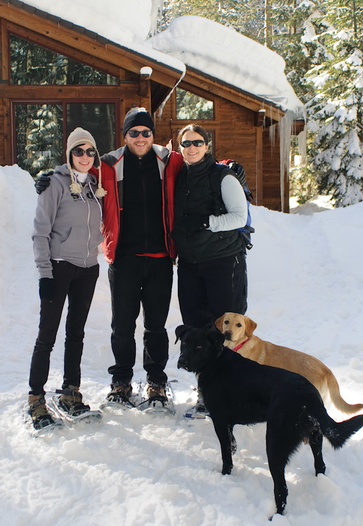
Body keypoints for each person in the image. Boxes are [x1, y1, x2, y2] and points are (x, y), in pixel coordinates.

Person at [99, 108, 184, 408]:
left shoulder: (169, 161)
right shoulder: (109, 163)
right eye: (134, 132)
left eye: (146, 132)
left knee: (156, 326)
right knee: (122, 325)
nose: (140, 137)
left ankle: (156, 382)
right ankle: (121, 380)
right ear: (124, 136)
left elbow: (201, 161)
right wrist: (52, 178)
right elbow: (77, 172)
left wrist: (230, 167)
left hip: (161, 258)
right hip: (124, 259)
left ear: (152, 135)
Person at [27, 127, 110, 430]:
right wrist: (44, 273)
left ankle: (70, 392)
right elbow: (40, 231)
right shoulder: (54, 184)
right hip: (59, 268)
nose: (85, 156)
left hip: (88, 268)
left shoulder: (94, 187)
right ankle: (36, 398)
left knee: (76, 333)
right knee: (47, 335)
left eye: (90, 151)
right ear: (69, 154)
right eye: (79, 151)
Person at [172, 124, 249, 331]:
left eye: (198, 142)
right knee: (195, 328)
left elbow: (239, 217)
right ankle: (202, 365)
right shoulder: (179, 176)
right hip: (189, 265)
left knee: (228, 329)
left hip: (222, 262)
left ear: (206, 146)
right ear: (180, 148)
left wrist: (207, 222)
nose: (192, 148)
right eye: (186, 143)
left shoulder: (222, 176)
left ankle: (231, 365)